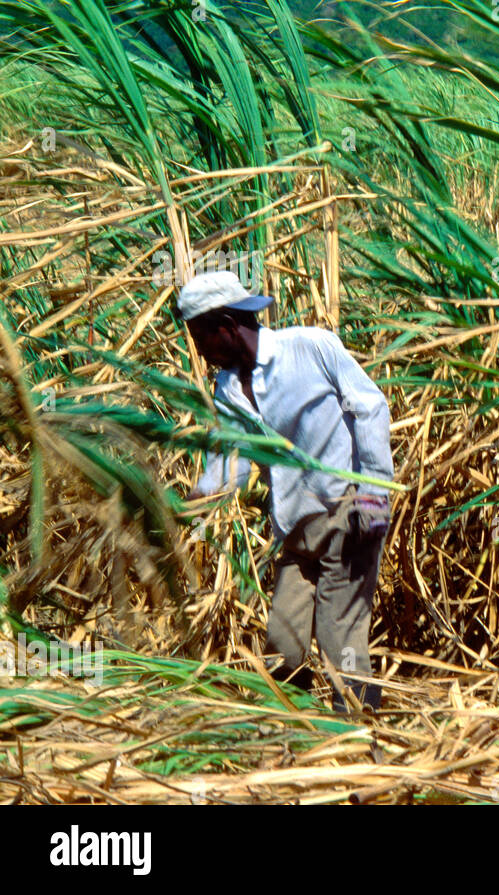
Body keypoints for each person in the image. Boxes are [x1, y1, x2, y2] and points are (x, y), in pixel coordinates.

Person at [179, 270, 394, 712]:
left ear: (225, 324)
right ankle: (293, 740)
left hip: (346, 517)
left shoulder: (310, 347)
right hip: (295, 531)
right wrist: (188, 502)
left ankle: (361, 742)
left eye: (201, 339)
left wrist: (373, 498)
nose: (200, 353)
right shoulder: (227, 390)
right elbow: (231, 464)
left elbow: (369, 406)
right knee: (282, 647)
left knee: (342, 645)